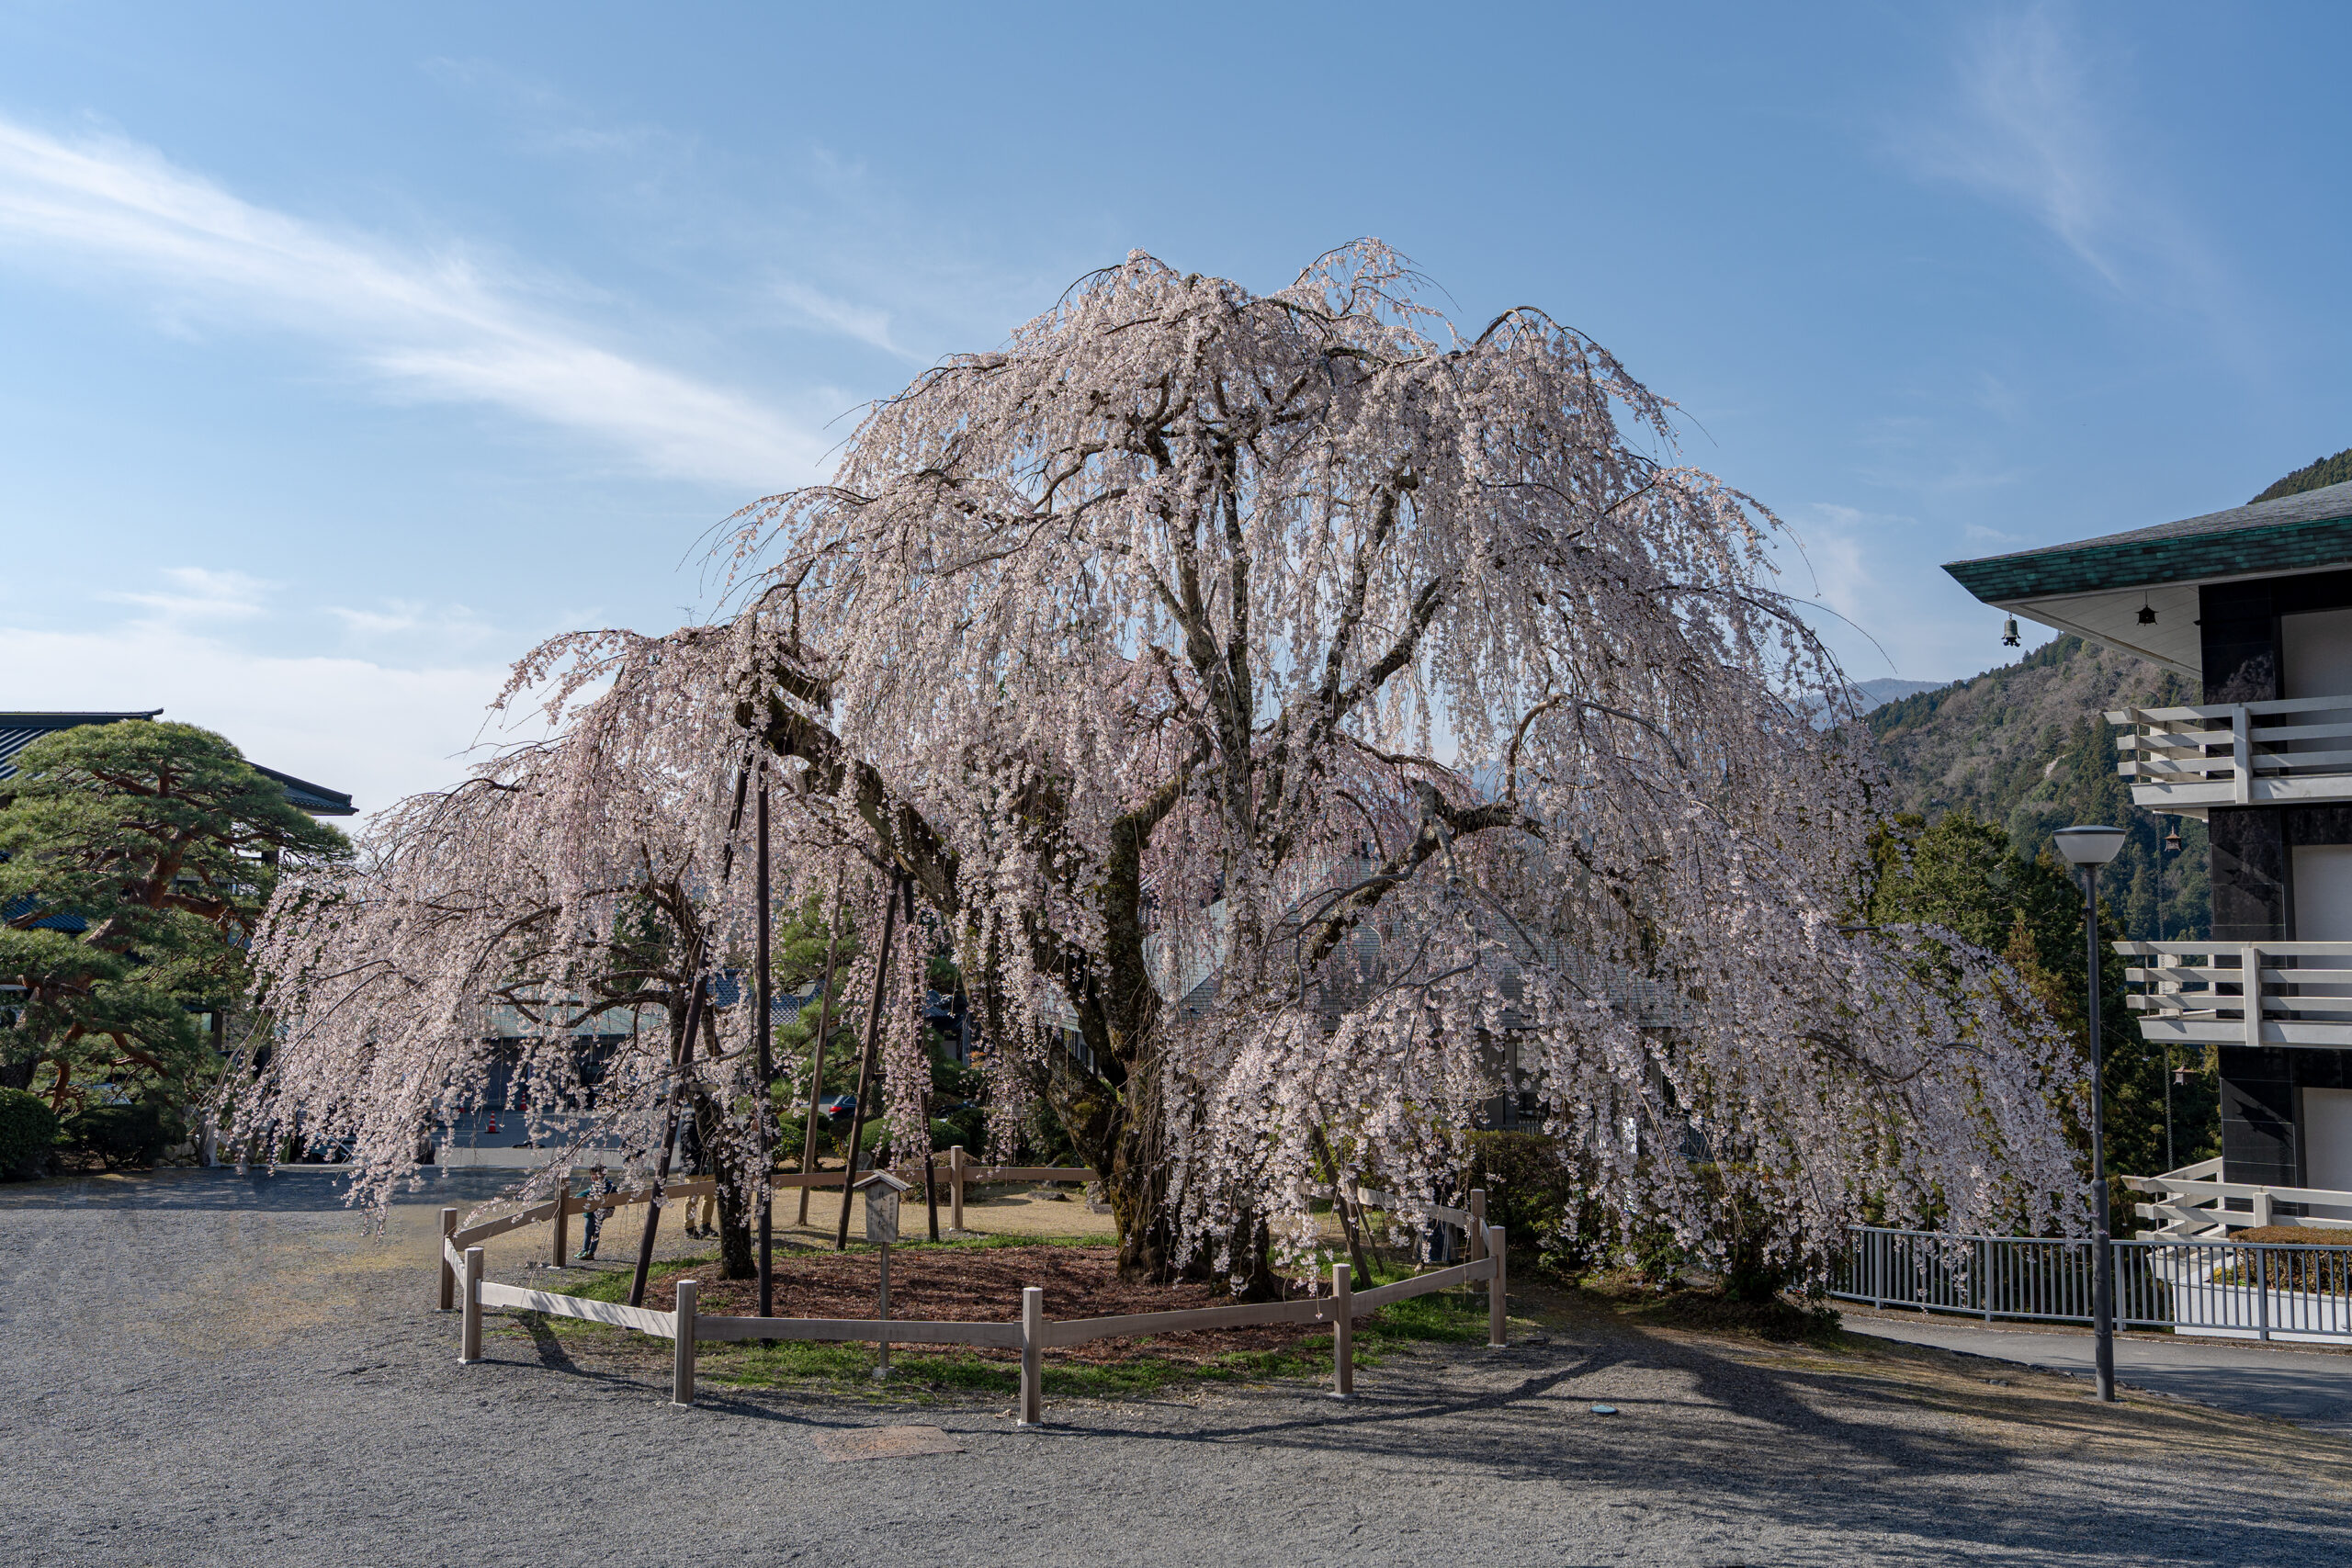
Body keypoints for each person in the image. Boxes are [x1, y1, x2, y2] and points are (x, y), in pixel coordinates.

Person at [681, 1119, 717, 1239]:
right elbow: (693, 1146)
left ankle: (706, 1225)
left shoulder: (712, 1124)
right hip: (695, 1169)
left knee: (710, 1198)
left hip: (710, 1168)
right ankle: (689, 1228)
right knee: (692, 1199)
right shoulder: (689, 1127)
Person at [574, 1164, 615, 1261]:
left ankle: (590, 1252)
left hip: (598, 1212)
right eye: (591, 1174)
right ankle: (585, 1251)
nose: (592, 1177)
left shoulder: (607, 1185)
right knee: (590, 1231)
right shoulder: (595, 1185)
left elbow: (582, 1194)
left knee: (593, 1232)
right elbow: (581, 1194)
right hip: (592, 1212)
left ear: (601, 1174)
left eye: (594, 1174)